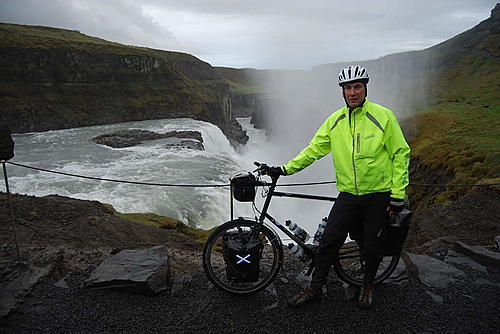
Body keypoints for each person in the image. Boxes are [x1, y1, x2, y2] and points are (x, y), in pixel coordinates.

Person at [269, 65, 410, 309]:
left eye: (357, 87)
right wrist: (285, 169)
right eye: (348, 88)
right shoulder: (335, 121)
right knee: (329, 241)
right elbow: (313, 150)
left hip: (378, 194)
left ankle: (367, 286)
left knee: (372, 246)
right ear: (342, 92)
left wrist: (397, 195)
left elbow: (401, 154)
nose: (352, 92)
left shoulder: (383, 116)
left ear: (365, 88)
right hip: (348, 194)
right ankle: (315, 288)